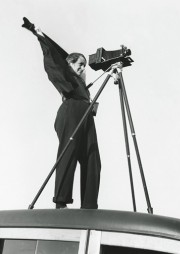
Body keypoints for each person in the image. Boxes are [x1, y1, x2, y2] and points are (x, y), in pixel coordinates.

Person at [22, 18, 101, 209]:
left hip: (86, 116)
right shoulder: (68, 78)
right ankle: (61, 201)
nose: (83, 68)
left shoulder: (82, 85)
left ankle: (89, 205)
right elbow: (54, 61)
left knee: (93, 158)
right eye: (79, 64)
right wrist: (39, 34)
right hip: (71, 112)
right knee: (69, 152)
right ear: (70, 64)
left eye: (84, 65)